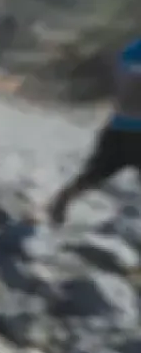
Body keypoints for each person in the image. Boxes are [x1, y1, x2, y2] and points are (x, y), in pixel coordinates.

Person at [48, 36, 141, 226]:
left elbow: (114, 81)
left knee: (94, 173)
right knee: (95, 173)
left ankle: (61, 201)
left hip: (117, 127)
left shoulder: (129, 51)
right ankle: (61, 203)